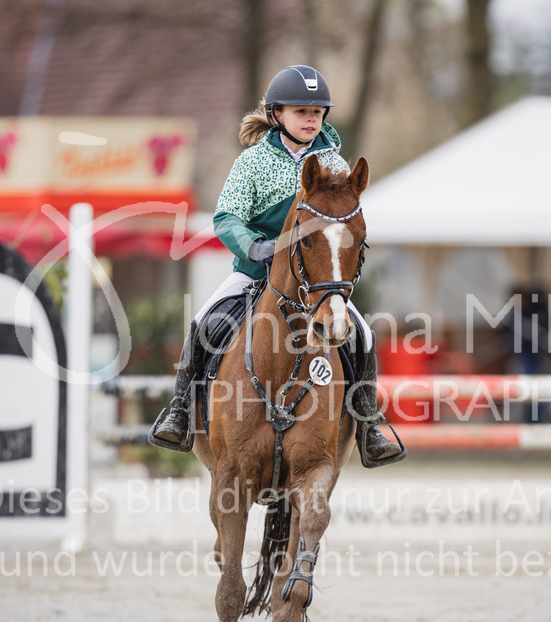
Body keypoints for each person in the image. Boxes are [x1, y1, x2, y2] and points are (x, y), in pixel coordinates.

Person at [151, 65, 404, 465]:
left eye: (317, 113)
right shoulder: (251, 162)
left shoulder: (336, 166)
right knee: (203, 322)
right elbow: (226, 217)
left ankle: (369, 424)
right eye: (301, 111)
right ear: (277, 115)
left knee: (364, 336)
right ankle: (180, 411)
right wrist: (253, 247)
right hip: (254, 273)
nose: (310, 119)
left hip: (318, 285)